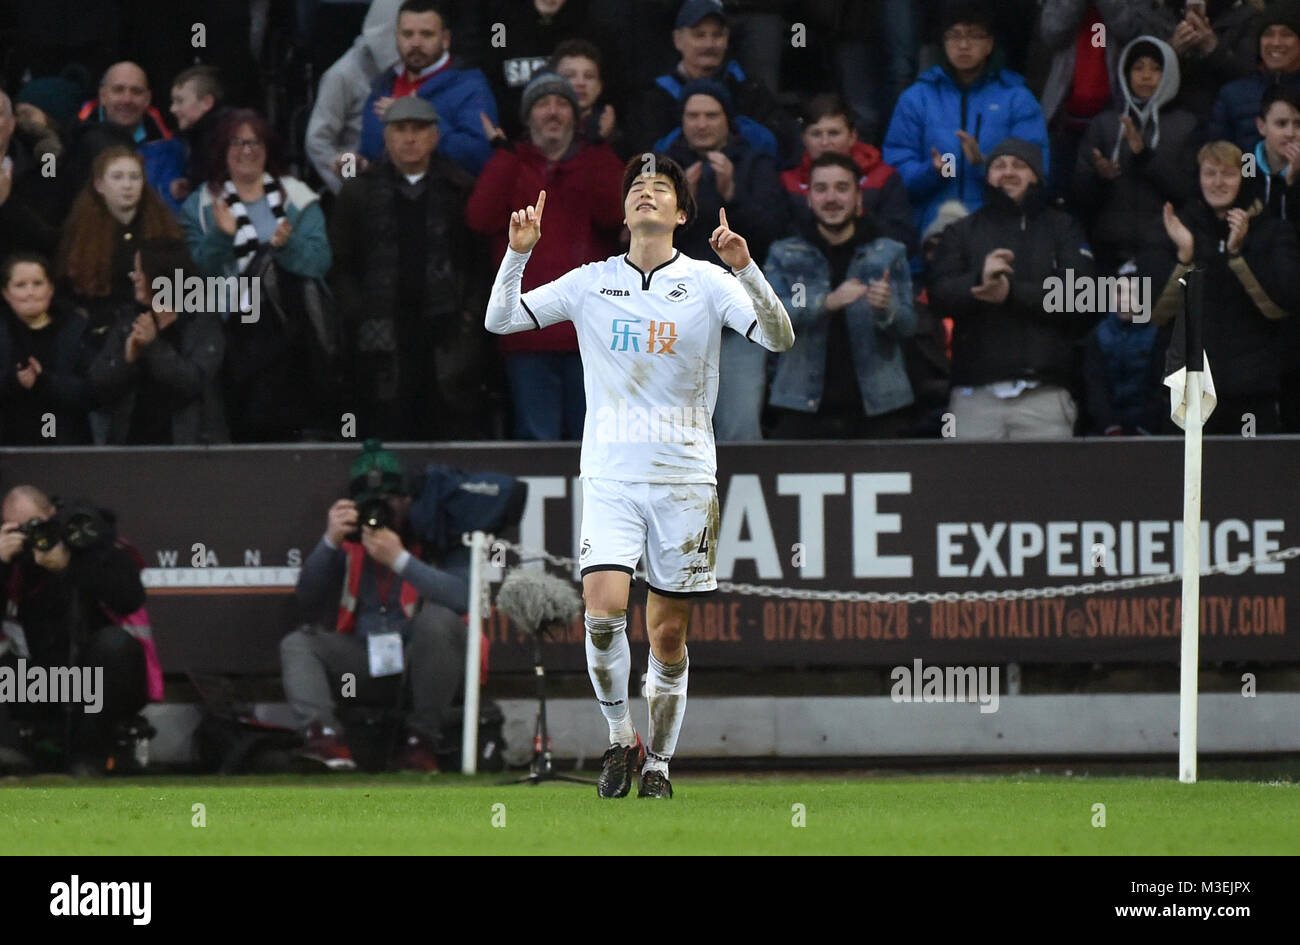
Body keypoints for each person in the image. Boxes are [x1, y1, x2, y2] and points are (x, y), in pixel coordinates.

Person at [484, 154, 795, 798]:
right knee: (601, 614)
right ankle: (621, 739)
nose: (645, 194)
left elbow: (778, 338)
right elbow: (502, 320)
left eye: (660, 189)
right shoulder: (590, 281)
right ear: (624, 212)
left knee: (667, 633)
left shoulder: (709, 282)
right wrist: (519, 254)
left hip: (685, 478)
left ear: (682, 214)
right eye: (636, 189)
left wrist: (746, 269)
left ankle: (661, 762)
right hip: (609, 475)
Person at [284, 441, 469, 773]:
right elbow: (307, 599)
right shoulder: (350, 543)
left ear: (406, 500)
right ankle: (324, 739)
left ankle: (421, 742)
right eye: (370, 504)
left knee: (438, 620)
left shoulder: (433, 533)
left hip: (422, 667)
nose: (378, 513)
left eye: (388, 502)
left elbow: (461, 598)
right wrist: (330, 541)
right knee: (298, 643)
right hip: (365, 661)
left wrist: (400, 560)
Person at [467, 72, 624, 441]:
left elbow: (615, 214)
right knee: (538, 443)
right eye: (542, 104)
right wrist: (504, 156)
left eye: (561, 104)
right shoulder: (511, 163)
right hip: (528, 332)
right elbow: (479, 218)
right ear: (527, 117)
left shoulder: (596, 159)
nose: (552, 112)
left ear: (576, 117)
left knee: (595, 445)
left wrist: (600, 150)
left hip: (589, 334)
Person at [330, 96, 488, 440]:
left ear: (435, 136)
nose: (410, 138)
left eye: (419, 129)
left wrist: (469, 317)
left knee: (449, 430)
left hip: (446, 335)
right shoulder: (358, 192)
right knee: (386, 429)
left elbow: (479, 263)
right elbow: (341, 265)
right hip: (381, 336)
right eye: (400, 129)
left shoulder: (459, 189)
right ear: (386, 137)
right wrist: (357, 314)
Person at [180, 110, 332, 442]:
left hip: (289, 336)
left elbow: (319, 262)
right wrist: (221, 237)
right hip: (228, 338)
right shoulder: (201, 204)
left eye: (255, 142)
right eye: (236, 142)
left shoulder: (298, 198)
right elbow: (195, 274)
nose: (246, 150)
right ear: (221, 149)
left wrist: (286, 245)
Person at [928, 138, 1095, 439]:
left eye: (1019, 165)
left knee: (1049, 486)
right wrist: (979, 281)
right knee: (967, 485)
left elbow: (1081, 298)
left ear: (1036, 176)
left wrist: (1010, 294)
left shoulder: (1063, 228)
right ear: (987, 175)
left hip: (1045, 393)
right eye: (999, 165)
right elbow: (939, 294)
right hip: (973, 395)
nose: (1008, 172)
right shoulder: (960, 231)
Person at [660, 79, 788, 441]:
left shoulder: (756, 162)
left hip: (739, 321)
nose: (702, 124)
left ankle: (741, 497)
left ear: (727, 120)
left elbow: (772, 233)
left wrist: (732, 195)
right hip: (676, 320)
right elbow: (646, 240)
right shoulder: (663, 168)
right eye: (693, 115)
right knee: (675, 431)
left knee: (739, 425)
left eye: (711, 115)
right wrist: (680, 205)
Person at [0, 486, 159, 775]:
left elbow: (129, 596)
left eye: (38, 525)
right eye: (19, 530)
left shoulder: (88, 541)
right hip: (39, 683)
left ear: (53, 515)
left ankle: (90, 755)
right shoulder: (12, 563)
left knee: (113, 646)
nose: (33, 536)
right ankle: (8, 750)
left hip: (99, 681)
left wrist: (68, 566)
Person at [765, 153, 917, 438]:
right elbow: (769, 321)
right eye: (821, 189)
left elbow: (909, 326)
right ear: (809, 199)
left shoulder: (889, 252)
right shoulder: (784, 253)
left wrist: (888, 309)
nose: (831, 198)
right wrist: (827, 303)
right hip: (801, 407)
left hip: (879, 407)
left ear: (859, 197)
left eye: (842, 188)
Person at [1154, 140, 1300, 434]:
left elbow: (1282, 306)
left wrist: (1237, 255)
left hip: (1253, 393)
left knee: (1250, 479)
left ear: (1243, 179)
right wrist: (1184, 257)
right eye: (1210, 173)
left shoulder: (1272, 231)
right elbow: (1156, 314)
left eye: (1228, 174)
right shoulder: (1176, 230)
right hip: (1188, 394)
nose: (1217, 183)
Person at [882, 0, 1050, 239]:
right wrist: (933, 172)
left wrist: (983, 165)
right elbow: (894, 173)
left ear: (990, 43)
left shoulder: (1018, 99)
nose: (963, 44)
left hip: (1000, 236)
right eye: (954, 35)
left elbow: (1039, 177)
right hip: (931, 236)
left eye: (974, 36)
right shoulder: (917, 98)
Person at [57, 146, 182, 442]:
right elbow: (65, 293)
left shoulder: (163, 230)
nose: (127, 185)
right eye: (118, 177)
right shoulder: (79, 233)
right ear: (99, 185)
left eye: (134, 177)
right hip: (100, 352)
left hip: (153, 346)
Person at [1072, 36, 1200, 277]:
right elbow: (1080, 197)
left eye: (1156, 68)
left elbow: (1188, 191)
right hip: (1108, 250)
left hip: (1164, 250)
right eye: (1138, 67)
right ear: (1125, 73)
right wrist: (1101, 177)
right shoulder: (1105, 124)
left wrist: (1144, 156)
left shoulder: (1186, 125)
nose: (1146, 76)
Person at [623, 0, 802, 168]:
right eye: (699, 35)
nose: (709, 44)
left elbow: (786, 148)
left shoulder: (748, 88)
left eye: (717, 35)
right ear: (678, 40)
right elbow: (645, 160)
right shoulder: (655, 97)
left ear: (726, 40)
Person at [87, 237, 227, 445]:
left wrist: (153, 346)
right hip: (130, 447)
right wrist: (127, 359)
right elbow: (96, 385)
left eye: (140, 271)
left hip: (189, 449)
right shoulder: (129, 321)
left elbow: (192, 382)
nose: (134, 277)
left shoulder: (202, 323)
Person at [355, 0, 498, 178]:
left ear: (445, 39)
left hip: (449, 199)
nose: (416, 43)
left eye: (426, 34)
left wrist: (420, 118)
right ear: (396, 37)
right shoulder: (382, 88)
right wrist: (357, 164)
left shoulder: (470, 87)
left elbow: (480, 157)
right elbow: (370, 153)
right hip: (385, 200)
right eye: (408, 34)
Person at [780, 93, 915, 253]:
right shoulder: (786, 182)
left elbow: (902, 237)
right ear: (803, 139)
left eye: (834, 133)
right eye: (816, 134)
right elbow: (778, 238)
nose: (825, 142)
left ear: (852, 136)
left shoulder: (884, 177)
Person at [65, 62, 187, 214]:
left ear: (147, 99)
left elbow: (174, 212)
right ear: (103, 96)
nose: (127, 99)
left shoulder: (168, 145)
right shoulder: (75, 139)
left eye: (136, 92)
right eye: (118, 90)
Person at [306, 7, 402, 195]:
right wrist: (350, 189)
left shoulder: (413, 69)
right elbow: (318, 142)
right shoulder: (342, 76)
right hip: (363, 178)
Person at [0, 253, 92, 445]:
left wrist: (45, 381)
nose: (30, 292)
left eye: (37, 283)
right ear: (6, 293)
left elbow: (91, 391)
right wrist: (14, 382)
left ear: (50, 289)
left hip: (65, 444)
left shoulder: (76, 328)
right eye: (20, 285)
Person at [1082, 262, 1168, 436]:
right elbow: (1095, 386)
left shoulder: (1159, 335)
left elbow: (1161, 389)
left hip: (1150, 431)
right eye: (1120, 292)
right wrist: (1110, 426)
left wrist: (1146, 427)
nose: (1125, 299)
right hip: (1106, 431)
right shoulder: (1098, 335)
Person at [1208, 1, 1300, 150]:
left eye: (1286, 35)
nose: (1276, 42)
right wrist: (1250, 172)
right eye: (1268, 35)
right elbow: (1220, 157)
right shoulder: (1233, 95)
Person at [0, 90, 67, 265]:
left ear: (12, 123)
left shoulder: (46, 163)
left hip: (26, 279)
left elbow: (53, 238)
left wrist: (7, 202)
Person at [549, 38, 624, 151]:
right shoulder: (535, 137)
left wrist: (609, 138)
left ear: (599, 87)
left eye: (589, 76)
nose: (580, 83)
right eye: (569, 76)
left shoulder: (620, 143)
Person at [168, 65, 226, 205]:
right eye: (173, 101)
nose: (172, 109)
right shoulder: (195, 137)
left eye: (180, 101)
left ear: (206, 103)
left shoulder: (225, 139)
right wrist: (190, 184)